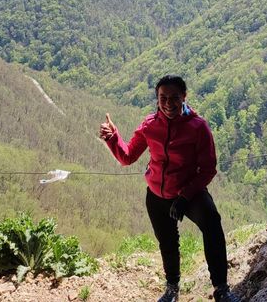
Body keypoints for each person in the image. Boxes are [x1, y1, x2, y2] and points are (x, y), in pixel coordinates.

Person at [99, 75, 241, 302]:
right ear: (157, 99)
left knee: (212, 225)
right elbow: (127, 157)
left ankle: (221, 289)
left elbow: (208, 169)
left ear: (184, 97)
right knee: (167, 241)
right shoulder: (150, 126)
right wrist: (112, 137)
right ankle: (172, 289)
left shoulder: (198, 127)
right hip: (156, 195)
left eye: (174, 97)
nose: (168, 103)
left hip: (190, 193)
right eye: (163, 98)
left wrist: (185, 197)